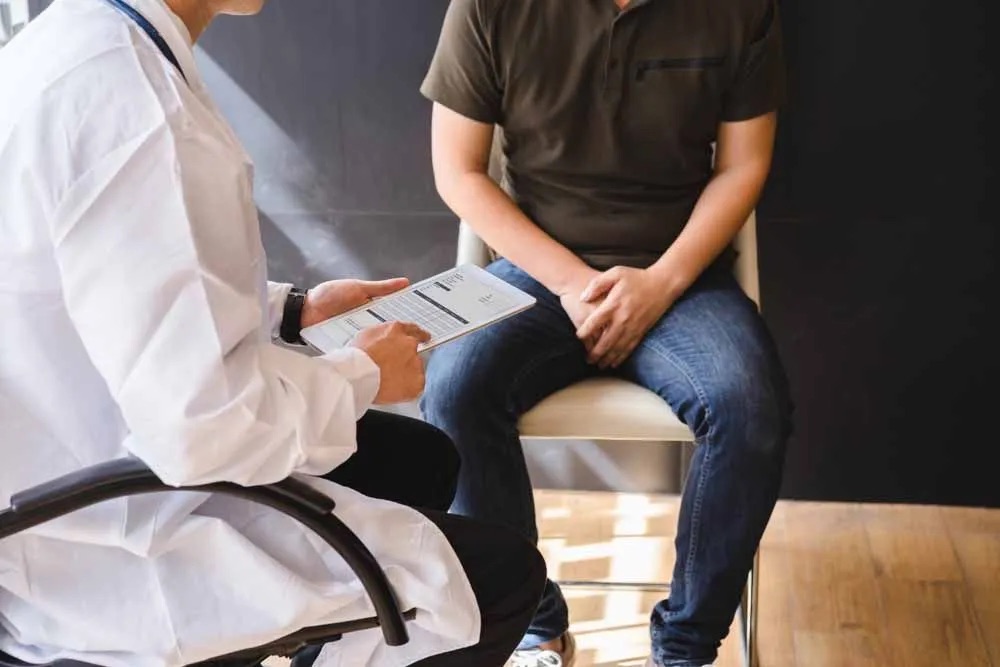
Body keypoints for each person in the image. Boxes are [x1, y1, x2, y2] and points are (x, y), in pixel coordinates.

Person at [0, 0, 546, 665]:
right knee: (498, 583)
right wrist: (362, 375)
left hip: (65, 479)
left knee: (422, 461)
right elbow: (203, 429)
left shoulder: (79, 40)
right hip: (109, 542)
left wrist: (294, 313)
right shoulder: (137, 107)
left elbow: (118, 285)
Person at [419, 0, 794, 665]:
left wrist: (659, 284)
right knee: (453, 389)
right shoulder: (486, 7)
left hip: (679, 274)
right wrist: (570, 283)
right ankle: (533, 622)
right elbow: (459, 169)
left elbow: (742, 165)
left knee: (750, 405)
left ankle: (684, 647)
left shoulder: (740, 9)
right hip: (536, 270)